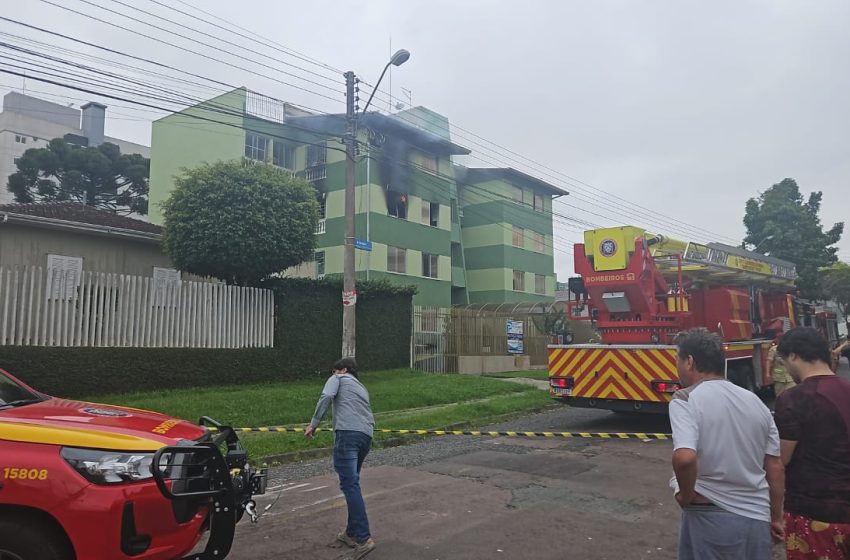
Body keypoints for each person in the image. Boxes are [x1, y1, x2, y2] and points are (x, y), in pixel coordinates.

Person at [669, 328, 785, 560]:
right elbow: (775, 466)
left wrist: (686, 495)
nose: (678, 366)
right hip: (756, 520)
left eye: (678, 360)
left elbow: (685, 458)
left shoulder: (685, 400)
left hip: (710, 519)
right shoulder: (757, 403)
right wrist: (776, 517)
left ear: (689, 361)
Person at [774, 327, 850, 559]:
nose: (786, 368)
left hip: (815, 514)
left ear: (794, 356)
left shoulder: (794, 399)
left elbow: (781, 459)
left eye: (785, 360)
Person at [305, 357, 376, 560]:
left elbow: (326, 396)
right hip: (366, 437)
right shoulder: (361, 387)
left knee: (349, 485)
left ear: (343, 369)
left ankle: (363, 539)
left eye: (334, 370)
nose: (333, 373)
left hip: (347, 435)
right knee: (353, 483)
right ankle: (351, 534)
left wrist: (314, 424)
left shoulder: (338, 378)